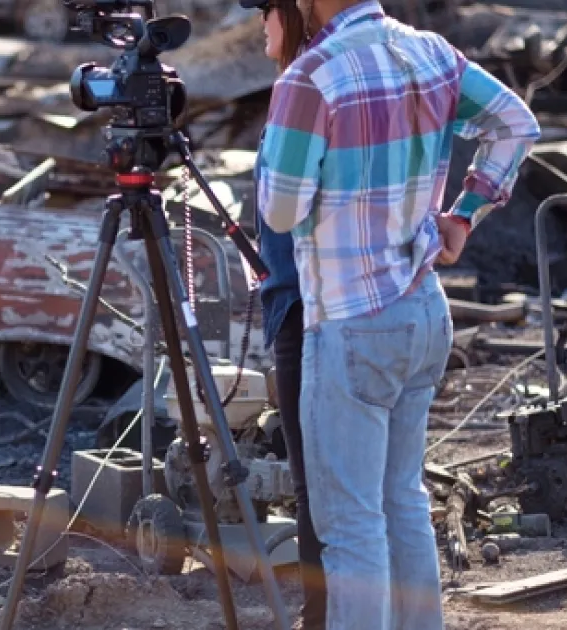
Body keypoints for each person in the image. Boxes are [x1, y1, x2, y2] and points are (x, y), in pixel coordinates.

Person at [254, 1, 540, 629]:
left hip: (351, 321)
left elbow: (280, 211)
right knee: (403, 504)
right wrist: (463, 215)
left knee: (352, 528)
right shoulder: (432, 52)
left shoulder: (310, 77)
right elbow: (516, 124)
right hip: (423, 310)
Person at [241, 1, 326, 628]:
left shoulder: (305, 86)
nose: (259, 23)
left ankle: (321, 614)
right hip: (299, 300)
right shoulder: (306, 82)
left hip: (304, 305)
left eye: (266, 9)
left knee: (312, 481)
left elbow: (282, 211)